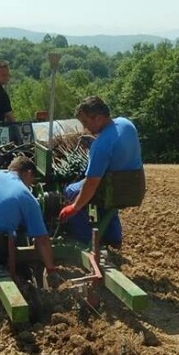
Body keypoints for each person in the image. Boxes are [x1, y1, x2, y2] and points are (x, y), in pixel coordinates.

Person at [58, 96, 143, 247]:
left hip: (111, 190)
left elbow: (91, 183)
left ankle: (87, 241)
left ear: (98, 118)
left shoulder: (101, 145)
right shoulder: (126, 123)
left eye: (85, 122)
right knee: (108, 196)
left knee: (71, 191)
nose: (85, 127)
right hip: (134, 187)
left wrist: (74, 207)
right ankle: (113, 237)